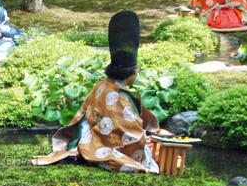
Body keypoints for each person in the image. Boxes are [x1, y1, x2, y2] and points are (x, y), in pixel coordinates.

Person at [32, 10, 169, 172]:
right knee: (149, 155)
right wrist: (147, 138)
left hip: (89, 137)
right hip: (99, 143)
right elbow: (128, 132)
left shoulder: (103, 84)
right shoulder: (118, 95)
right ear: (130, 74)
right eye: (136, 70)